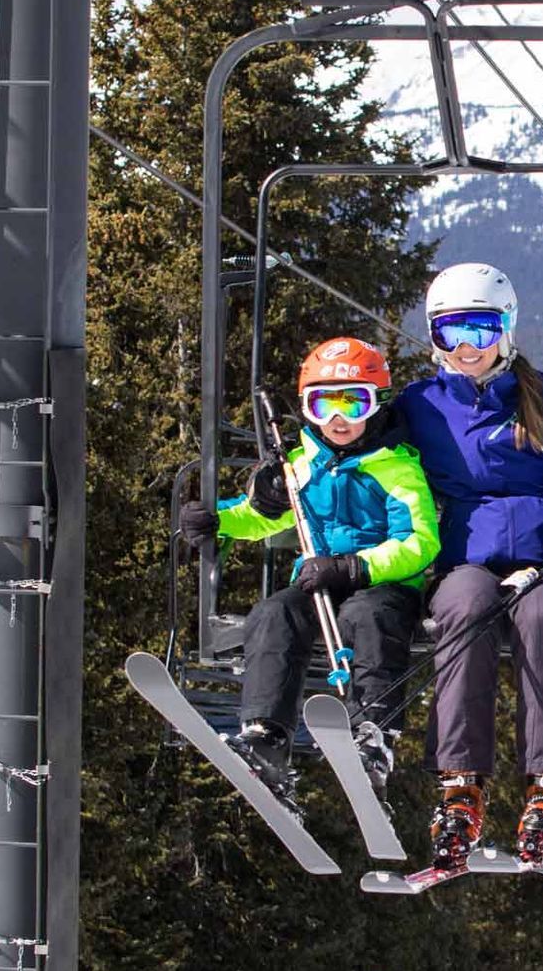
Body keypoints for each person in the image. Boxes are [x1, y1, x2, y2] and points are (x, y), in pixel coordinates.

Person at [391, 262, 543, 869]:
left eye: (480, 329)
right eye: (449, 333)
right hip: (465, 561)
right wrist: (283, 484)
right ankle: (460, 785)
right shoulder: (421, 406)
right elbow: (357, 448)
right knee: (466, 609)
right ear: (434, 338)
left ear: (507, 330)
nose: (466, 348)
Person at [180, 337, 439, 803]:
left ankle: (374, 735)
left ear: (376, 405)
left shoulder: (397, 469)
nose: (338, 420)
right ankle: (267, 733)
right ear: (306, 409)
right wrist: (219, 520)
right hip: (317, 582)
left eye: (353, 403)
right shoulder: (301, 465)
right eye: (323, 405)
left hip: (382, 585)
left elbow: (420, 542)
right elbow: (266, 515)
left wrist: (355, 568)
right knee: (274, 614)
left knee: (369, 619)